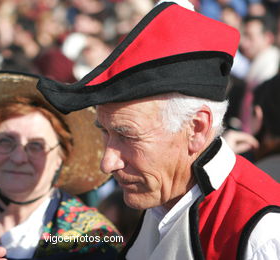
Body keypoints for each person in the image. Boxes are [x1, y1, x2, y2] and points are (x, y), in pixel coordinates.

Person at [36, 1, 280, 259]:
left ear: (197, 128)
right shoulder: (159, 199)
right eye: (105, 132)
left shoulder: (261, 233)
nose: (107, 163)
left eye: (127, 135)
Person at [0, 71, 122, 259]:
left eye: (36, 146)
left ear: (60, 157)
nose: (18, 157)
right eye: (5, 141)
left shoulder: (94, 239)